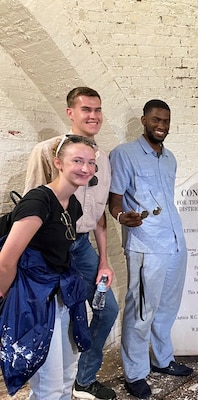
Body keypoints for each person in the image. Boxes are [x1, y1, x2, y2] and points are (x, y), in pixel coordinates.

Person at [24, 87, 119, 400]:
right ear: (70, 113)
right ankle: (49, 387)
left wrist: (104, 260)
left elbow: (100, 215)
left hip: (83, 247)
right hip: (52, 249)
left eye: (97, 110)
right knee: (59, 319)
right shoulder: (47, 151)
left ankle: (83, 379)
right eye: (85, 109)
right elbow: (31, 209)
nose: (93, 116)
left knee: (106, 310)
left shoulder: (102, 160)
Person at [0, 136, 97, 399]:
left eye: (91, 163)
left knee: (67, 375)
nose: (85, 168)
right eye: (77, 161)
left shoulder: (73, 204)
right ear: (58, 163)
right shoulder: (38, 202)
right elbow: (7, 260)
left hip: (62, 294)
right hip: (35, 299)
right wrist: (8, 300)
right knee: (49, 385)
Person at [108, 99, 192, 399]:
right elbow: (114, 200)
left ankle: (162, 360)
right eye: (156, 119)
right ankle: (135, 373)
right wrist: (121, 217)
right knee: (141, 309)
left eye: (166, 121)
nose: (162, 126)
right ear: (144, 120)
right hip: (145, 244)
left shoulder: (170, 158)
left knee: (167, 308)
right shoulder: (123, 154)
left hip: (175, 243)